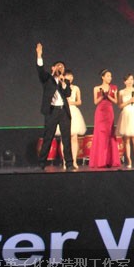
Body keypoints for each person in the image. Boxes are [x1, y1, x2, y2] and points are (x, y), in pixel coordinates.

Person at [35, 43, 75, 171]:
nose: (60, 68)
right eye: (58, 66)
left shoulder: (65, 81)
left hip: (63, 112)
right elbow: (40, 71)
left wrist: (63, 83)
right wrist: (39, 55)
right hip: (51, 111)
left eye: (62, 67)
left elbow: (68, 93)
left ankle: (69, 164)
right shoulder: (47, 79)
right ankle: (42, 163)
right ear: (53, 67)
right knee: (48, 137)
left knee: (66, 138)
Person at [89, 69, 120, 168]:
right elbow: (95, 102)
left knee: (109, 134)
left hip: (109, 112)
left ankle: (110, 160)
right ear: (102, 77)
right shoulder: (96, 88)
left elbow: (116, 101)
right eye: (107, 76)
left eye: (110, 76)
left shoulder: (114, 87)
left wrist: (108, 96)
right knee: (100, 134)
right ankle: (100, 160)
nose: (110, 78)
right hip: (100, 112)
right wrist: (102, 96)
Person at [57, 69, 86, 169]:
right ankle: (65, 161)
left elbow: (79, 101)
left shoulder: (76, 88)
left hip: (73, 112)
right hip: (63, 111)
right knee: (64, 138)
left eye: (71, 76)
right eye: (68, 76)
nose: (70, 77)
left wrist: (71, 103)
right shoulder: (59, 86)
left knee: (74, 137)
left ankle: (74, 161)